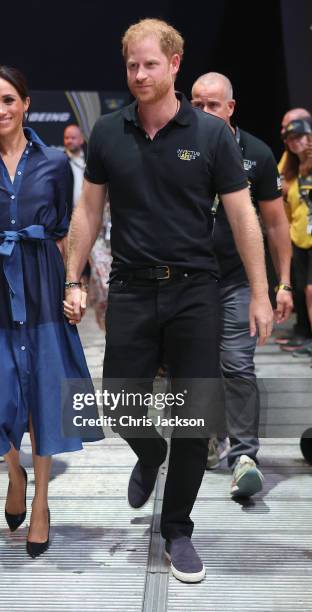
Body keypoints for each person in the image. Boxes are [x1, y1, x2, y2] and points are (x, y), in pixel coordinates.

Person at [64, 18, 273, 583]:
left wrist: (259, 292)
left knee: (194, 417)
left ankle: (178, 530)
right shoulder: (108, 133)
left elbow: (242, 215)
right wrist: (71, 277)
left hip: (195, 292)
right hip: (131, 288)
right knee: (118, 401)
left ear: (174, 65)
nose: (139, 74)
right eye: (132, 64)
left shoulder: (208, 135)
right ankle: (148, 454)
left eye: (150, 64)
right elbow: (88, 212)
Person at [0, 65, 102, 558]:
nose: (1, 110)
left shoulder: (54, 162)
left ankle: (42, 504)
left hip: (42, 285)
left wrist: (75, 284)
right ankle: (15, 471)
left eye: (9, 99)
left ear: (26, 103)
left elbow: (63, 233)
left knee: (46, 391)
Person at [191, 72, 293, 496]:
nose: (204, 111)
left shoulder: (257, 153)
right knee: (198, 368)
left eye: (213, 104)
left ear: (230, 108)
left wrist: (281, 284)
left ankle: (245, 456)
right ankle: (210, 436)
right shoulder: (177, 150)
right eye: (196, 104)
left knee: (235, 361)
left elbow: (274, 222)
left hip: (236, 280)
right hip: (189, 279)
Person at [277, 108, 312, 352]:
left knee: (310, 290)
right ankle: (304, 333)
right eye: (289, 138)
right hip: (298, 235)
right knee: (302, 288)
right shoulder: (289, 165)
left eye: (299, 135)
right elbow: (279, 189)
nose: (294, 141)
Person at [63, 124, 86, 213]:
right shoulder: (60, 161)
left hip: (90, 214)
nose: (69, 141)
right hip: (69, 216)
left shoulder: (91, 158)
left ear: (81, 139)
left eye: (73, 138)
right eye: (66, 138)